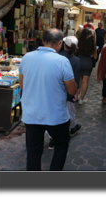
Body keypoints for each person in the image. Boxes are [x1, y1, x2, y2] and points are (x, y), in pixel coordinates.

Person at [19, 28, 77, 171]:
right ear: (59, 43)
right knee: (61, 145)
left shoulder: (27, 57)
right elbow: (72, 90)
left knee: (33, 152)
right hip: (55, 116)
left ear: (43, 41)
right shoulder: (62, 61)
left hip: (32, 115)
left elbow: (22, 85)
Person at [76, 27, 97, 104]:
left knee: (79, 80)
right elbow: (95, 57)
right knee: (85, 82)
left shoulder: (78, 42)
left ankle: (77, 96)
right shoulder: (92, 44)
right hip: (88, 63)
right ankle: (82, 99)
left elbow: (76, 52)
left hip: (79, 62)